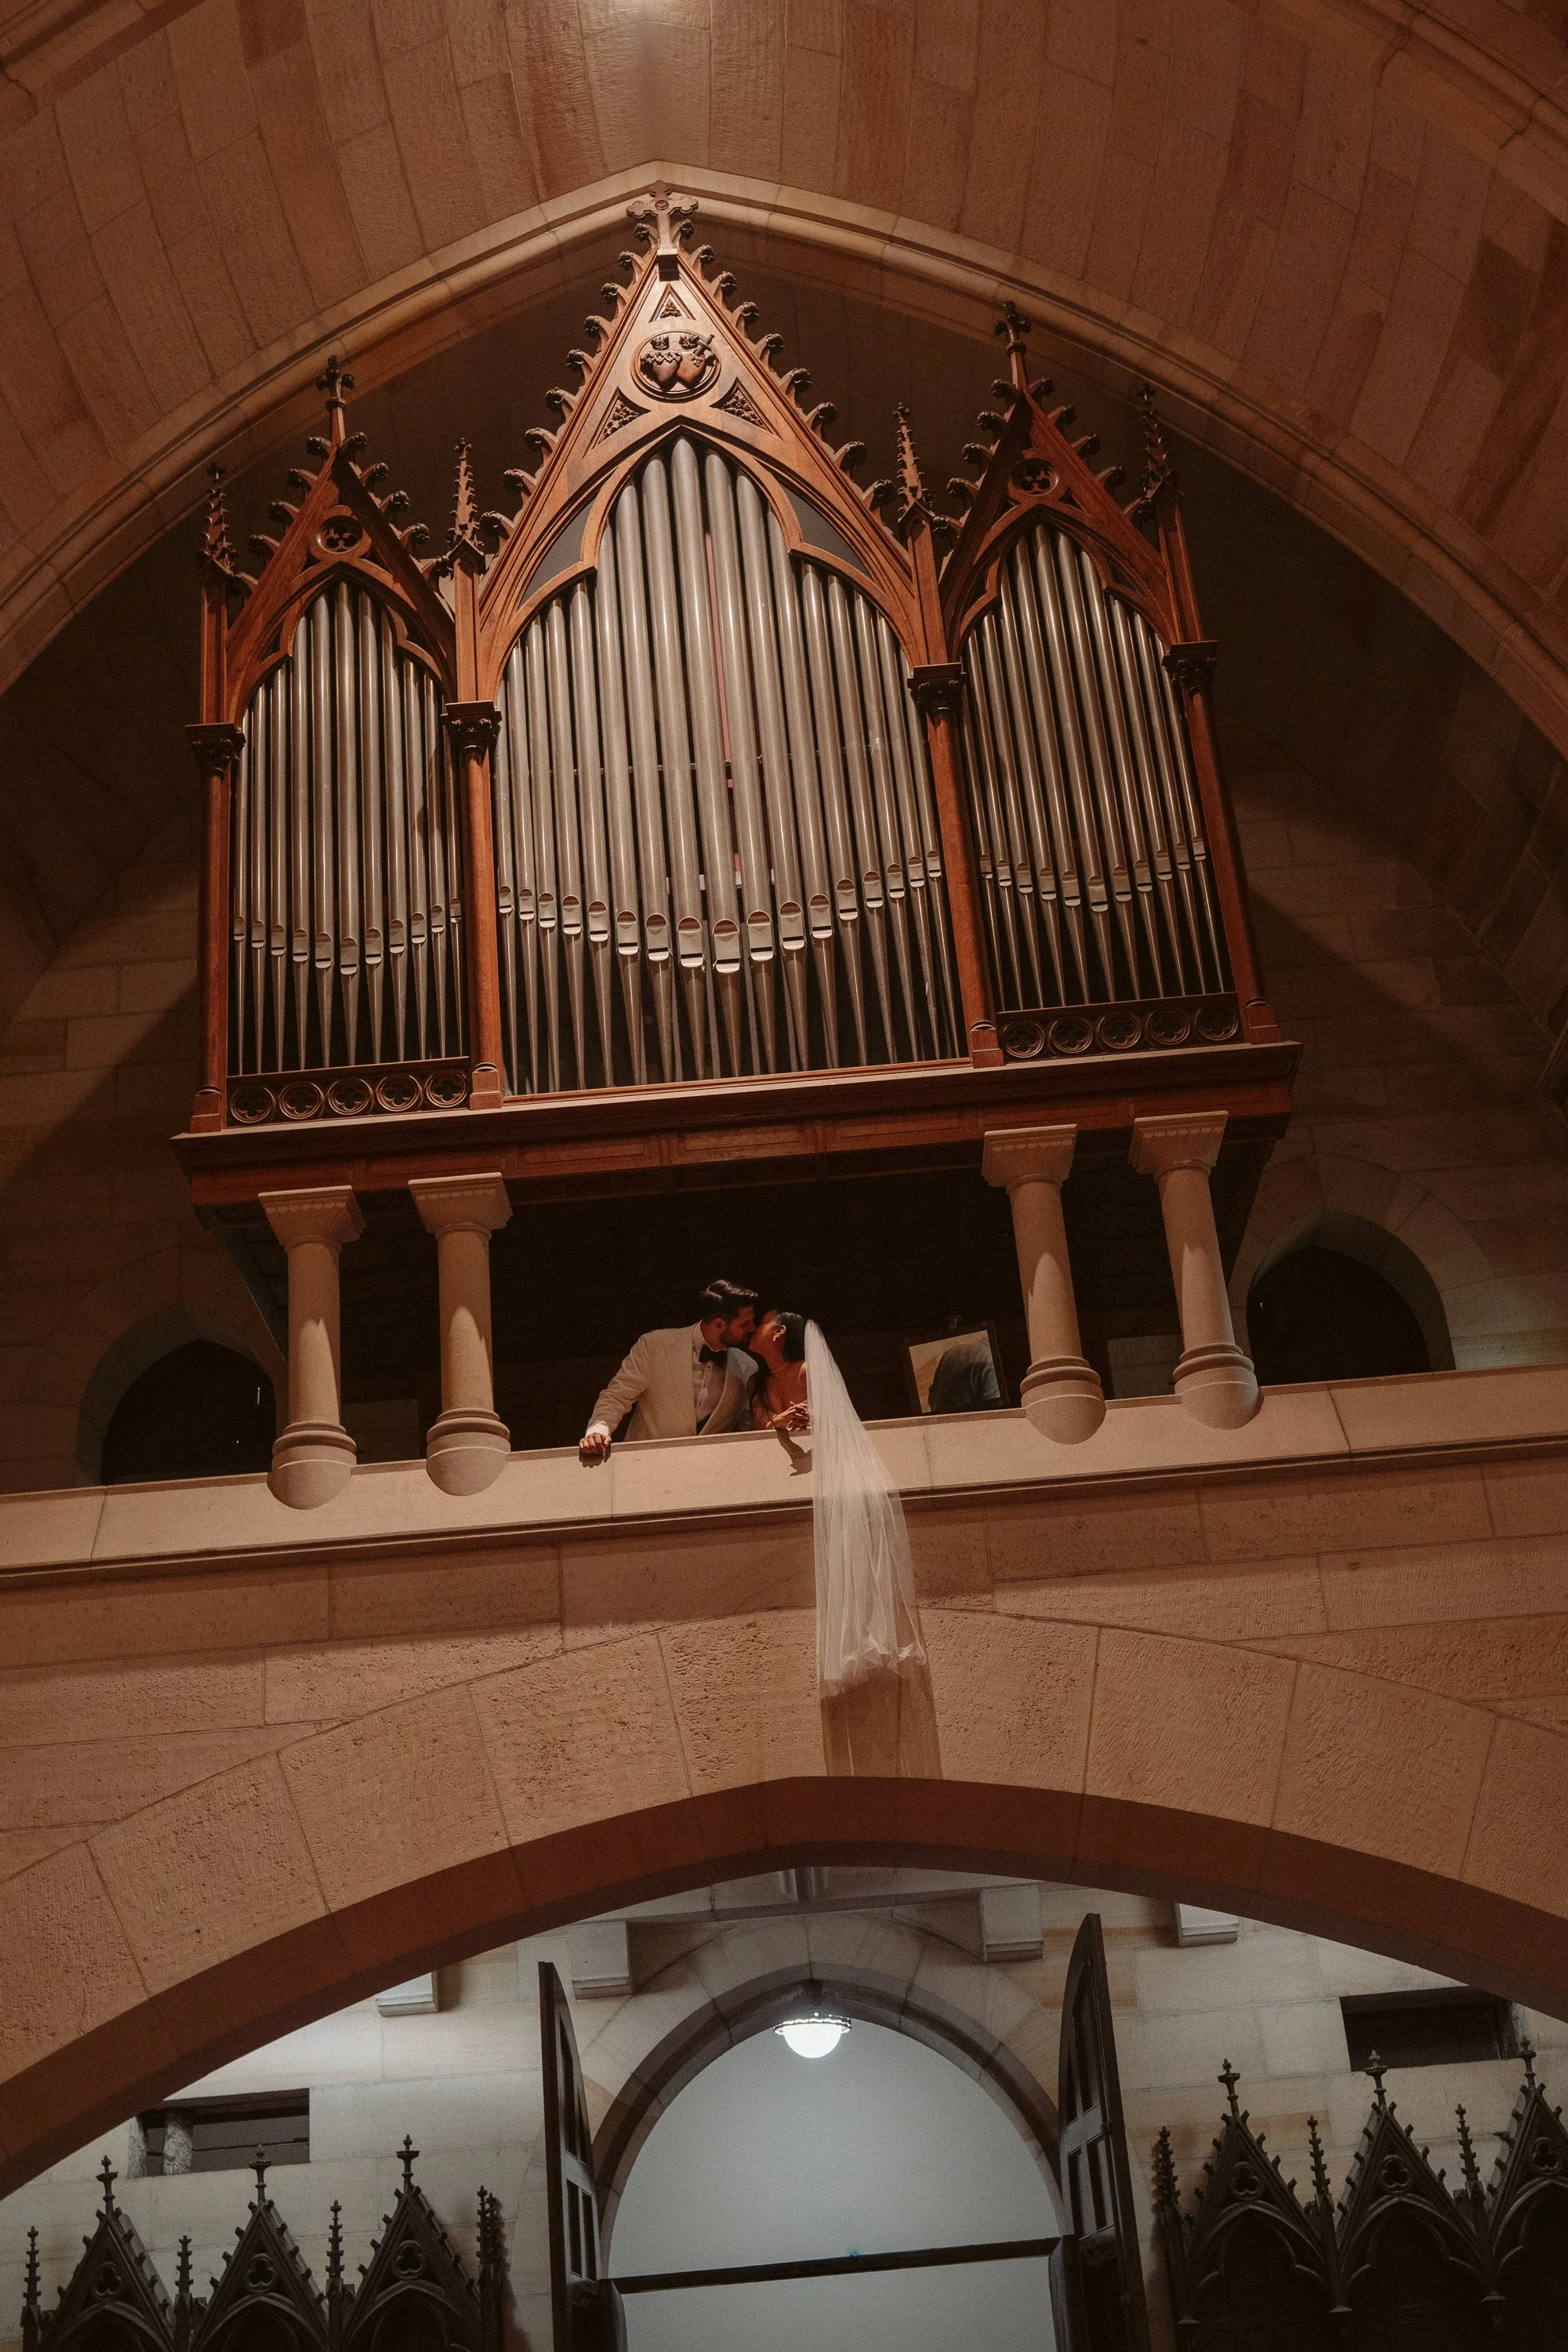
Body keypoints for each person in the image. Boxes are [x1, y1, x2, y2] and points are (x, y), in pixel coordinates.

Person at [747, 1307, 926, 1697]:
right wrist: (777, 1423)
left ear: (778, 1334)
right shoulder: (756, 1384)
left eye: (762, 1322)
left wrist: (813, 1419)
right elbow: (757, 1432)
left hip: (826, 1472)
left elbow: (841, 1420)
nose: (753, 1327)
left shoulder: (810, 1371)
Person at [578, 1279, 758, 1463]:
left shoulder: (747, 1366)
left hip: (707, 1471)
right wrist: (598, 1430)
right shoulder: (654, 1345)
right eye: (745, 1324)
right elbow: (616, 1396)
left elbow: (748, 1427)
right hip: (644, 1466)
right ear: (719, 1324)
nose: (753, 1328)